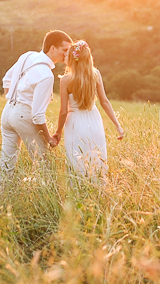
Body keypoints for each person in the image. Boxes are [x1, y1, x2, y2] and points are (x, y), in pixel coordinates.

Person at [0, 29, 72, 184]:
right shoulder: (46, 75)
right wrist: (49, 138)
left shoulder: (27, 56)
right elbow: (37, 115)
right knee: (45, 166)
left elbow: (6, 79)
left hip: (7, 113)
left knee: (6, 165)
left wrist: (12, 100)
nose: (67, 54)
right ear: (52, 48)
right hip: (24, 115)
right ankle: (47, 203)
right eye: (64, 50)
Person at [52, 40, 124, 180]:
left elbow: (64, 111)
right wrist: (118, 125)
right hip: (94, 120)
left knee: (76, 160)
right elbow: (104, 101)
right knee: (97, 160)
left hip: (74, 123)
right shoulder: (95, 74)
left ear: (73, 59)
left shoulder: (66, 80)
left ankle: (78, 192)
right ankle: (97, 192)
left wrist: (58, 132)